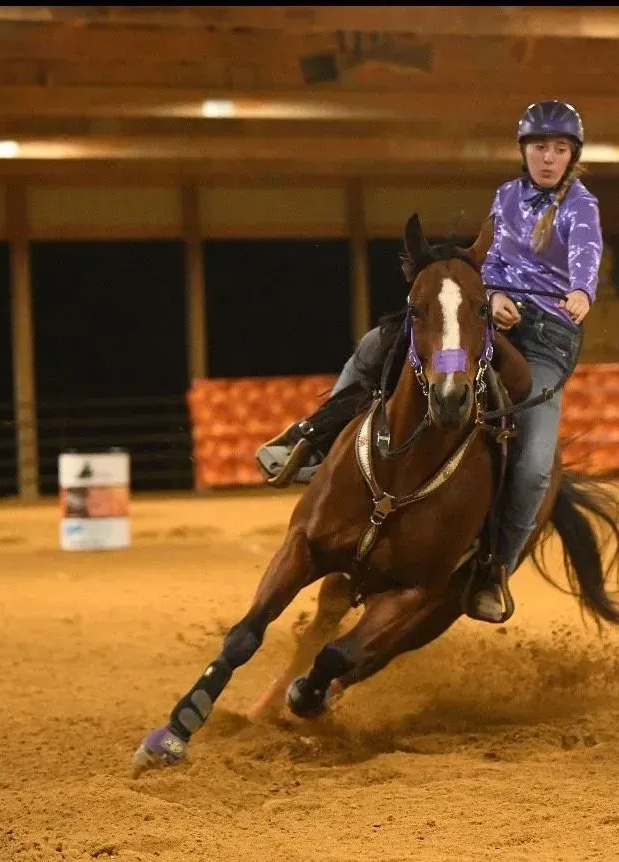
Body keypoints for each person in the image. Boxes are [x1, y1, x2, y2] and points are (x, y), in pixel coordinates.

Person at [255, 99, 601, 625]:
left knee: (533, 464)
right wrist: (492, 295)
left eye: (558, 149)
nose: (548, 158)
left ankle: (493, 570)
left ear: (572, 155)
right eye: (539, 148)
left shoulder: (582, 206)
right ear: (524, 151)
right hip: (494, 320)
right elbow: (492, 257)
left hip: (548, 339)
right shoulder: (506, 197)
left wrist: (581, 291)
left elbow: (586, 255)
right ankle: (313, 439)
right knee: (379, 345)